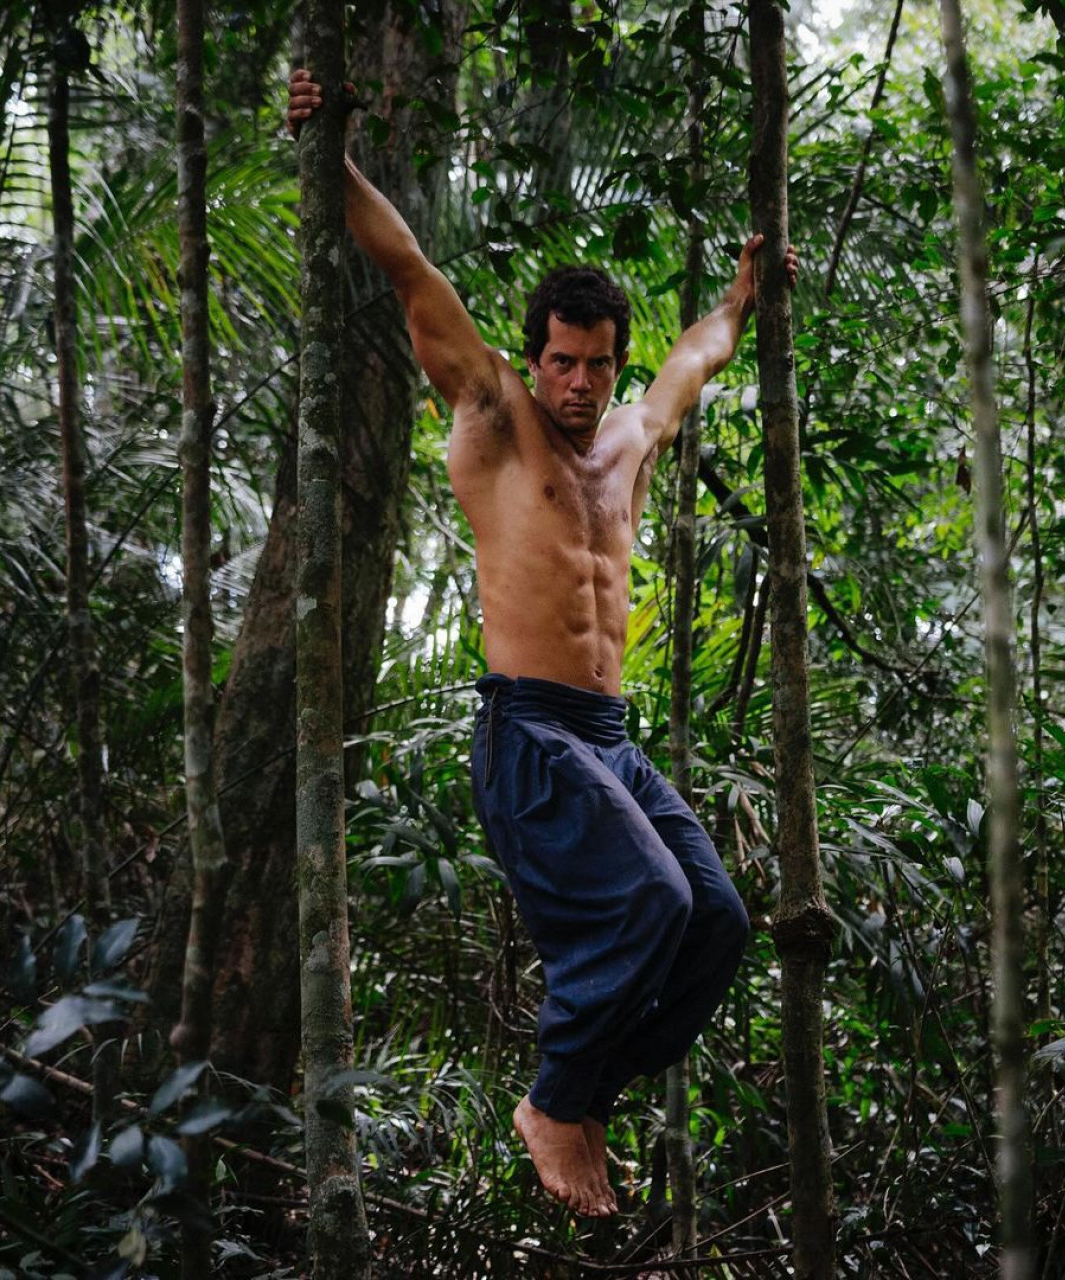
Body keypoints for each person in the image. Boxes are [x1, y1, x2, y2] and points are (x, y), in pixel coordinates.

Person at [288, 70, 798, 1219]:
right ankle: (555, 1096)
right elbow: (410, 268)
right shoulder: (490, 420)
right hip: (528, 733)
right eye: (560, 361)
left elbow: (696, 359)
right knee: (652, 901)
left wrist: (742, 300)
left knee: (712, 921)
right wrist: (333, 151)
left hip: (607, 740)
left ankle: (576, 1097)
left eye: (596, 363)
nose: (579, 383)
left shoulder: (623, 446)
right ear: (530, 360)